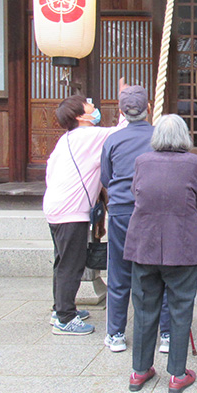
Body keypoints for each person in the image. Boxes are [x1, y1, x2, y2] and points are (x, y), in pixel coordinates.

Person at [124, 115, 197, 393]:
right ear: (184, 136)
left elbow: (136, 192)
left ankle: (139, 370)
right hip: (181, 244)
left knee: (145, 307)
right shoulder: (195, 163)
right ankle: (177, 374)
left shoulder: (142, 161)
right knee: (181, 309)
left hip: (144, 243)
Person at [43, 80, 128, 335]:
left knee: (62, 261)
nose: (94, 106)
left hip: (56, 206)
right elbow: (122, 132)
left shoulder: (67, 139)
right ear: (81, 116)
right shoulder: (88, 135)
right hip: (71, 211)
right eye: (89, 105)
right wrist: (124, 99)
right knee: (72, 264)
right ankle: (65, 319)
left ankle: (61, 308)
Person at [100, 85, 171, 354]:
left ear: (121, 111)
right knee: (161, 271)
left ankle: (116, 333)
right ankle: (165, 334)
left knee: (119, 271)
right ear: (149, 109)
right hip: (153, 210)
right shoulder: (159, 137)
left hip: (120, 211)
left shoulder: (112, 140)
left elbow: (106, 179)